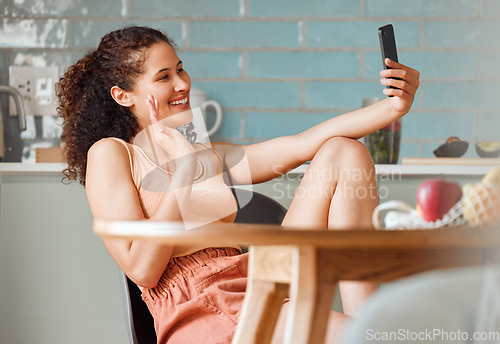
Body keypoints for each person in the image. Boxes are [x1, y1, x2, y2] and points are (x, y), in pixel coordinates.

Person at [56, 26, 420, 343]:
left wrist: (393, 109)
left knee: (344, 152)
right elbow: (142, 270)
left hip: (258, 281)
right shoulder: (111, 154)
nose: (182, 84)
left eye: (180, 69)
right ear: (123, 96)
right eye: (164, 77)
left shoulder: (202, 151)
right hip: (204, 309)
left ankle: (368, 318)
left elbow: (299, 145)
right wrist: (183, 174)